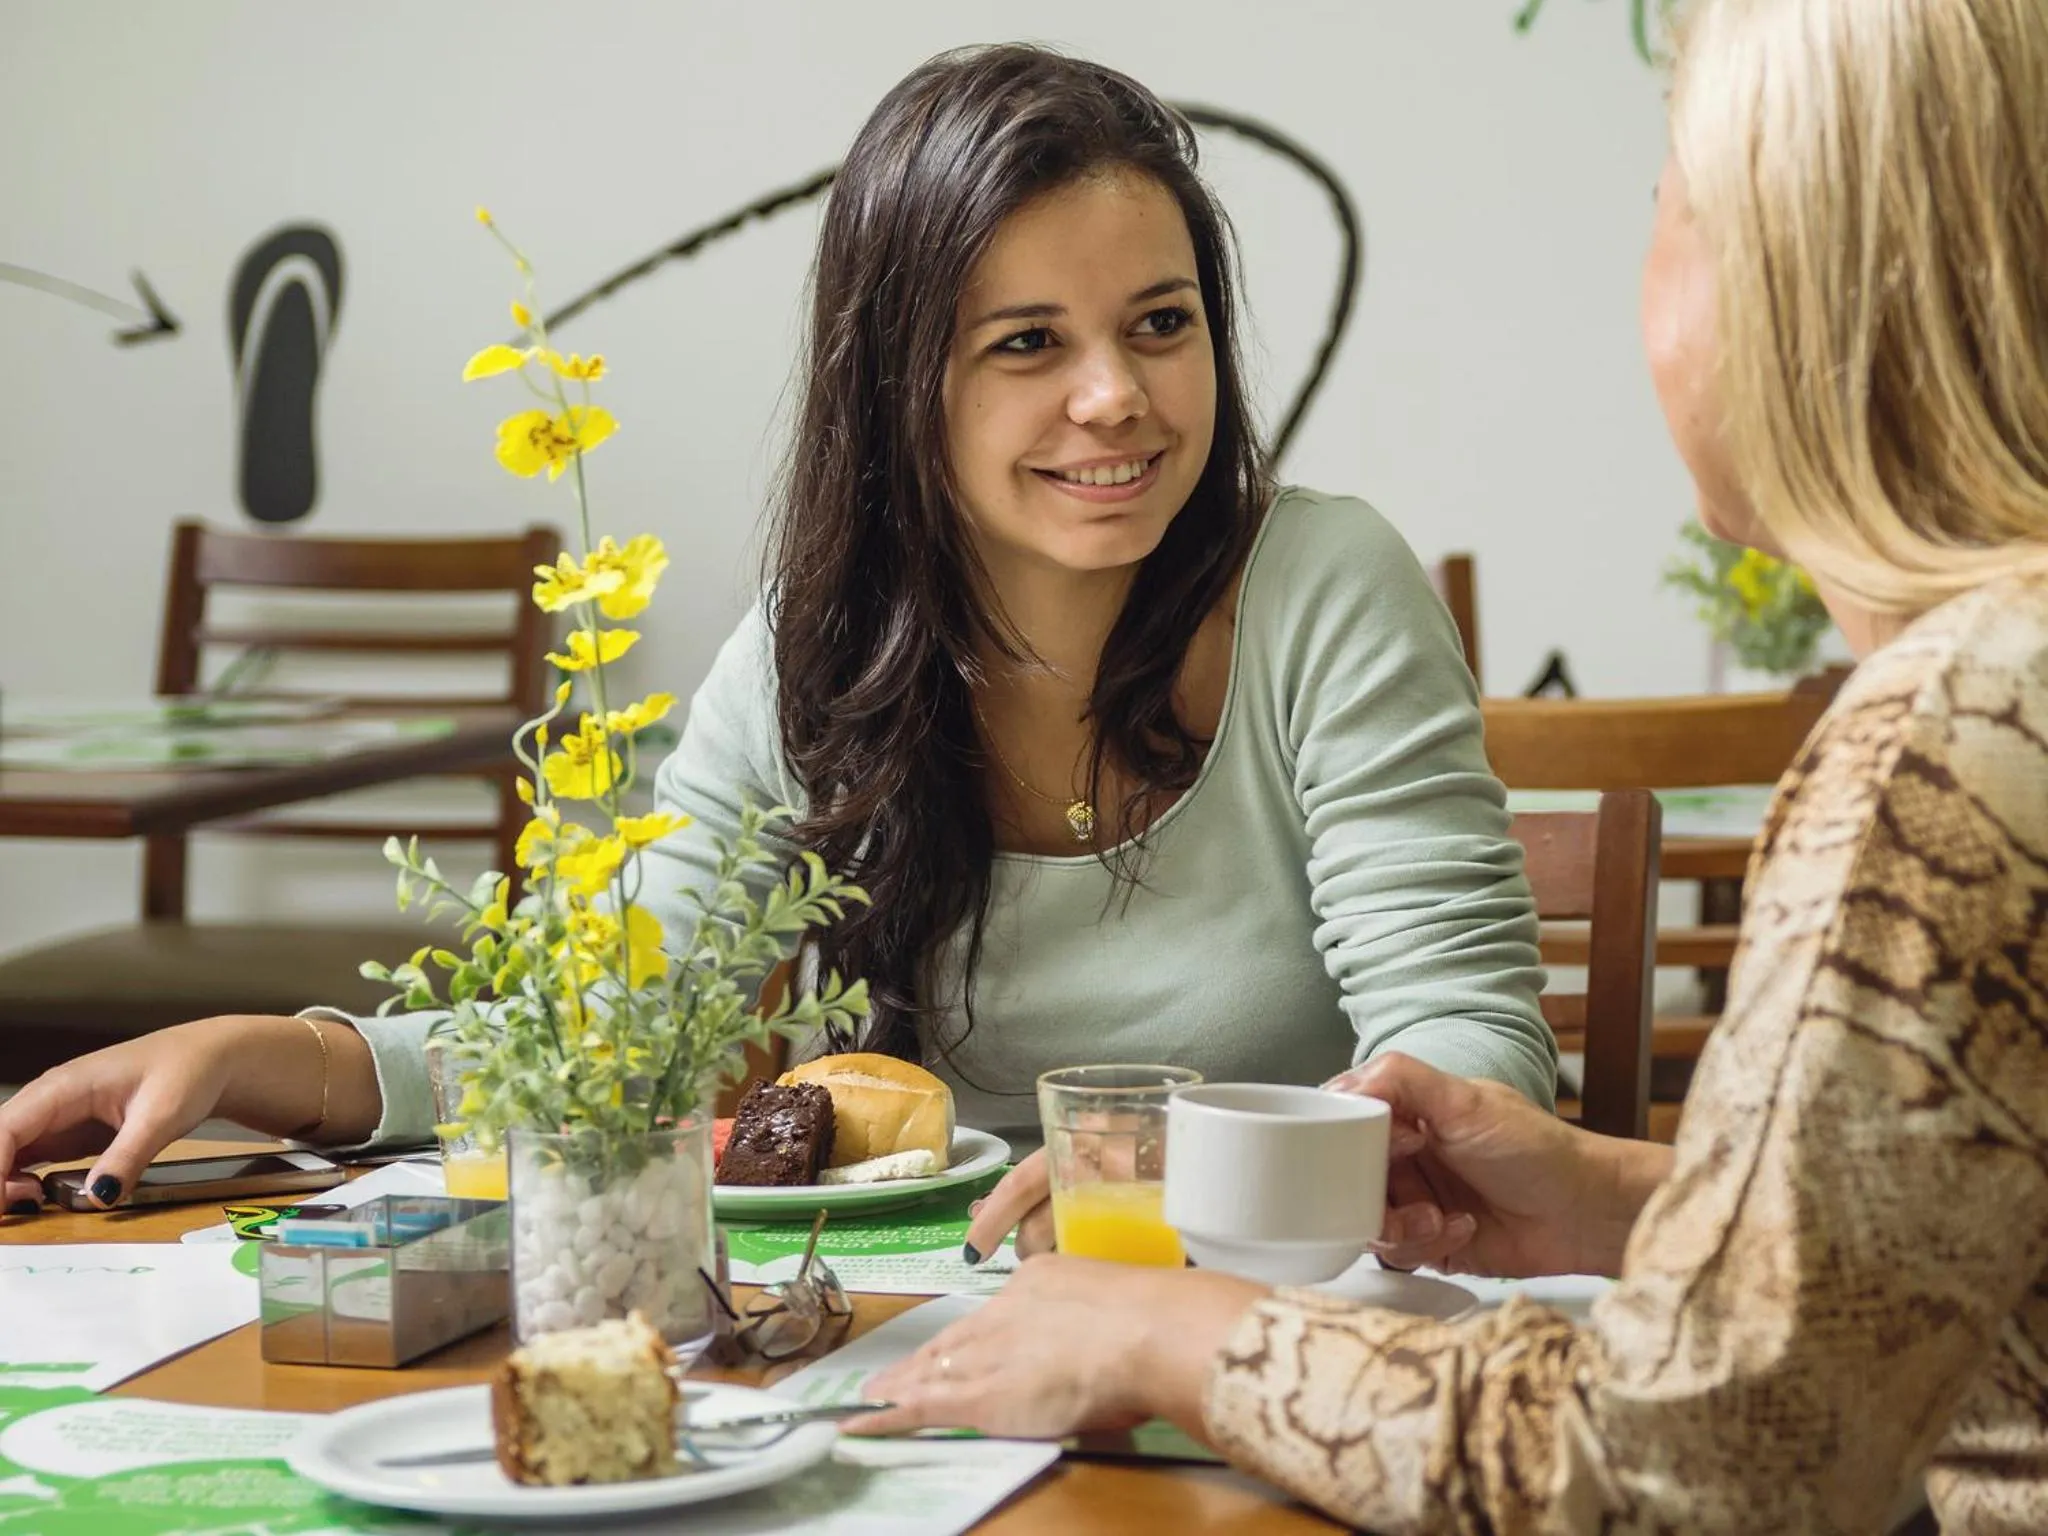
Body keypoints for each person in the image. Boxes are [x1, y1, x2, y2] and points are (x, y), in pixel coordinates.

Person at [848, 1, 2048, 1531]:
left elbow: (1702, 1470)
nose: (1114, 396)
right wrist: (1615, 1198)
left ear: (1813, 279)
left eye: (1671, 203)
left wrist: (1164, 1331)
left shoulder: (1951, 749)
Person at [0, 46, 1552, 1223]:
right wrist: (272, 1060)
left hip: (1277, 1308)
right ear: (899, 383)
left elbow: (1466, 1045)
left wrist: (1172, 1201)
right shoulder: (818, 654)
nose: (1119, 397)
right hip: (938, 1327)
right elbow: (625, 1039)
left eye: (1162, 321)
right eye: (1030, 344)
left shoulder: (1326, 586)